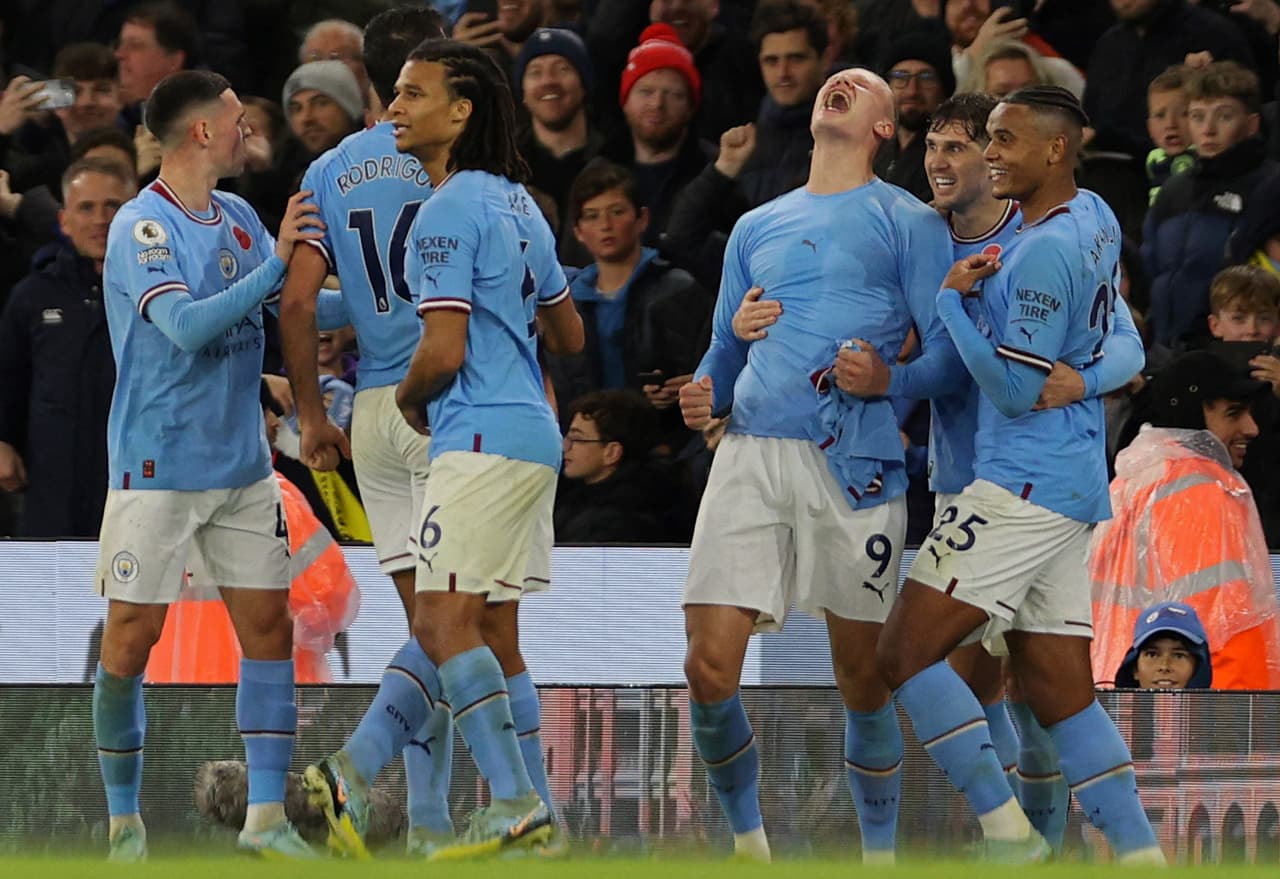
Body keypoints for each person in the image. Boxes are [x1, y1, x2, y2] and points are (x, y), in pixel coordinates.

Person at [302, 38, 585, 861]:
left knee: (439, 616)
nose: (395, 108)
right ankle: (482, 809)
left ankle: (508, 802)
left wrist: (410, 400)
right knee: (486, 623)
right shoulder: (520, 203)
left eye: (412, 95)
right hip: (530, 433)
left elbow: (443, 351)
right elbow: (566, 330)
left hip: (479, 432)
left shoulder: (444, 209)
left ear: (460, 112)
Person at [676, 66, 961, 864]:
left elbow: (947, 359)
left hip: (856, 461)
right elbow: (721, 358)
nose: (839, 82)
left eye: (861, 84)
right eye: (836, 81)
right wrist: (705, 394)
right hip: (752, 454)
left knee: (862, 676)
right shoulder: (755, 226)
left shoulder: (908, 222)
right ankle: (748, 847)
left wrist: (890, 380)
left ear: (884, 129)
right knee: (705, 665)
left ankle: (878, 855)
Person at [874, 86, 1164, 864]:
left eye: (1001, 140)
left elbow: (1011, 389)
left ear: (1055, 149)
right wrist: (1091, 376)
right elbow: (1123, 335)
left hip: (1020, 484)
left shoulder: (1037, 252)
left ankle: (1009, 837)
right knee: (1060, 693)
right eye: (986, 141)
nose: (992, 153)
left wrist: (954, 306)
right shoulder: (1096, 215)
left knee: (902, 654)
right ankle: (1143, 857)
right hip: (1064, 485)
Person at [92, 69, 323, 861]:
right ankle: (124, 821)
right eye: (236, 118)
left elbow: (285, 301)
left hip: (242, 465)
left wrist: (387, 299)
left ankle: (266, 818)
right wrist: (275, 265)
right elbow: (187, 325)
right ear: (200, 133)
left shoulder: (238, 215)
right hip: (158, 465)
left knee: (270, 630)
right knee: (131, 639)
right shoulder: (141, 227)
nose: (246, 129)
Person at [279, 6, 458, 858]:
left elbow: (301, 299)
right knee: (456, 630)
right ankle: (355, 773)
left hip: (378, 413)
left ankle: (427, 826)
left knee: (432, 626)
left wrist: (314, 415)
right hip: (453, 401)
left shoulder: (329, 170)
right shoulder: (461, 157)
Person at [1091, 350, 1280, 690]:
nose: (1251, 428)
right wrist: (1229, 730)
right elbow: (1221, 628)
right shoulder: (1205, 489)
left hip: (1115, 701)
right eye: (1234, 414)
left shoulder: (1133, 478)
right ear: (1191, 415)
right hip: (1197, 719)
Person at [0, 158, 134, 538]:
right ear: (64, 221)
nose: (101, 219)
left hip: (137, 472)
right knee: (50, 588)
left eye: (114, 206)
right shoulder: (32, 295)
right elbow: (9, 374)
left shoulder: (162, 293)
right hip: (52, 470)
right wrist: (3, 440)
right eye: (86, 207)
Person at [1143, 61, 1279, 349]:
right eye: (1197, 116)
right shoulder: (1173, 189)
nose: (1208, 129)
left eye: (1224, 117)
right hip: (1166, 351)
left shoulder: (1271, 186)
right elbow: (1152, 268)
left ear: (1252, 124)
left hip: (1240, 352)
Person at [874, 31, 956, 203]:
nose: (912, 91)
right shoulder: (873, 148)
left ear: (944, 88)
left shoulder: (954, 154)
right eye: (900, 77)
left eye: (926, 78)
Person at [1111, 601, 1212, 689]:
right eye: (1152, 654)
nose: (1164, 666)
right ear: (1134, 668)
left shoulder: (1224, 711)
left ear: (1198, 667)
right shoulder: (1106, 711)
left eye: (1178, 656)